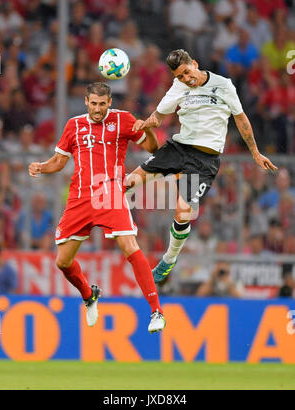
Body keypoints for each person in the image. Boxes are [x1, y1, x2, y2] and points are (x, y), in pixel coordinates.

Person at [127, 49, 277, 284]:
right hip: (178, 149)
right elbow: (158, 116)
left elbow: (241, 118)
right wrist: (147, 123)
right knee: (128, 183)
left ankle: (168, 259)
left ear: (195, 64)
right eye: (179, 76)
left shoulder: (224, 85)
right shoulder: (179, 88)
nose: (185, 79)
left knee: (182, 212)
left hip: (203, 161)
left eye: (187, 73)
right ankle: (97, 220)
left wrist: (255, 152)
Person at [28, 82, 165, 334]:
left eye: (102, 104)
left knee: (129, 245)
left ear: (110, 102)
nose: (98, 109)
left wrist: (148, 128)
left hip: (109, 193)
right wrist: (41, 166)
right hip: (79, 198)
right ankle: (89, 295)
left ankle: (156, 310)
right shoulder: (74, 125)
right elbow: (59, 162)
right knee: (62, 261)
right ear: (86, 101)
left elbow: (152, 149)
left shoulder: (123, 120)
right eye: (93, 103)